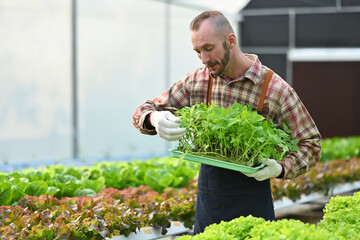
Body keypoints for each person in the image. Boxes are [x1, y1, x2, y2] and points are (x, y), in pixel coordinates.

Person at [132, 11, 321, 234]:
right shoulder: (197, 81)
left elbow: (311, 144)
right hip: (209, 204)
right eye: (197, 51)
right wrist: (154, 118)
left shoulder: (275, 89)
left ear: (231, 41)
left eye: (208, 48)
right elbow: (143, 110)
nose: (203, 59)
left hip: (254, 205)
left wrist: (279, 168)